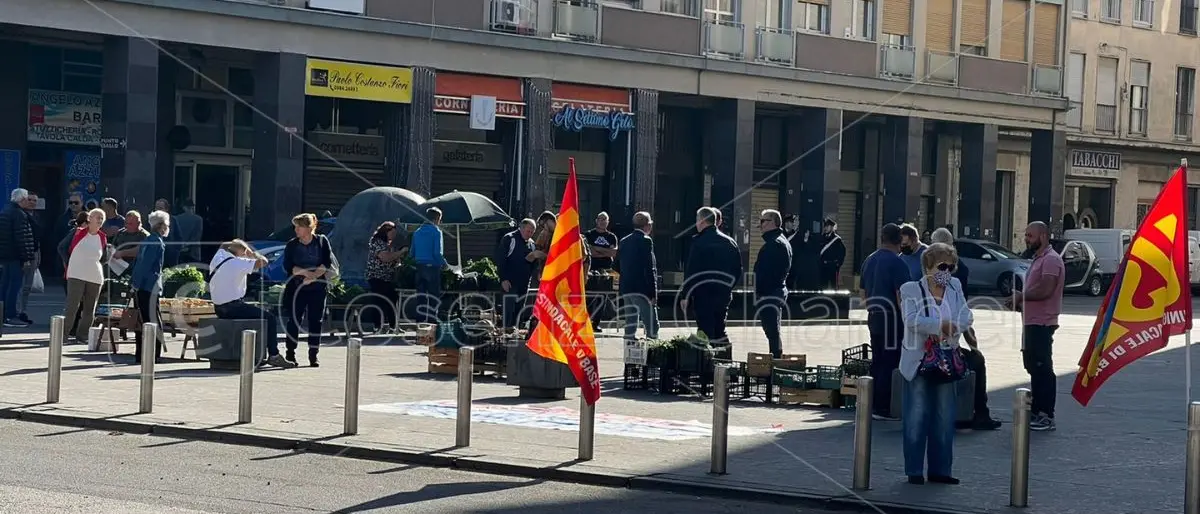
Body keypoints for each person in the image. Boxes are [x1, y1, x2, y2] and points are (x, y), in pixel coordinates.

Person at [899, 242, 972, 485]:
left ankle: (941, 470)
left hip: (946, 358)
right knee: (917, 415)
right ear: (928, 266)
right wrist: (940, 326)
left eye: (952, 267)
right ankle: (914, 471)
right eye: (943, 266)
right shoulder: (911, 289)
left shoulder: (955, 286)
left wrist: (952, 328)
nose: (948, 271)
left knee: (944, 415)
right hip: (919, 359)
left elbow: (966, 315)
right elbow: (910, 320)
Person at [929, 228, 1001, 430]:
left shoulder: (953, 283)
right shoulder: (952, 279)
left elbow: (963, 314)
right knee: (973, 361)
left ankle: (970, 412)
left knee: (973, 359)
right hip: (934, 349)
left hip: (939, 345)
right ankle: (978, 413)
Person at [1008, 221, 1065, 432]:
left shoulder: (1050, 260)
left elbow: (1046, 289)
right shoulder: (1038, 259)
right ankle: (1037, 410)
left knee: (1043, 368)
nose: (1026, 239)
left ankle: (1046, 414)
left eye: (1030, 236)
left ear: (1043, 236)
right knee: (1033, 366)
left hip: (1042, 322)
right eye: (1026, 235)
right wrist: (1019, 302)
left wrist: (1022, 296)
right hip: (1031, 321)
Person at [208, 239, 289, 368]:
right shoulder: (238, 263)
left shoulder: (219, 257)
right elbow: (264, 262)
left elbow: (223, 244)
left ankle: (257, 353)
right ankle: (274, 355)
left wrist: (239, 246)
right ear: (243, 251)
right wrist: (252, 254)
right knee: (269, 318)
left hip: (219, 307)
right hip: (233, 307)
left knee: (255, 313)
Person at [859, 223, 909, 420]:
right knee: (890, 361)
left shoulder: (869, 260)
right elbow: (901, 295)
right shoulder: (898, 263)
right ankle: (883, 406)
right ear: (899, 241)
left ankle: (870, 403)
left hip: (874, 316)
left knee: (877, 359)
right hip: (892, 318)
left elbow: (862, 295)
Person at [681, 207, 741, 358]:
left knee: (705, 331)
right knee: (720, 328)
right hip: (723, 294)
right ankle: (726, 366)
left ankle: (707, 368)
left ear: (702, 221)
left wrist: (685, 294)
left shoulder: (699, 242)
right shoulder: (730, 242)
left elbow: (692, 271)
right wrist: (728, 287)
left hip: (703, 294)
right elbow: (737, 270)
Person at [281, 213, 335, 367]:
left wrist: (314, 277)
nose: (296, 230)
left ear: (309, 228)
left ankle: (313, 355)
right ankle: (290, 353)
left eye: (299, 227)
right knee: (294, 320)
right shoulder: (292, 244)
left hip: (317, 288)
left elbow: (327, 262)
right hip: (297, 287)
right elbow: (289, 266)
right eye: (295, 226)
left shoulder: (322, 241)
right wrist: (306, 274)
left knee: (315, 321)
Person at [63, 209, 108, 343]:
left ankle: (82, 336)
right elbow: (63, 247)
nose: (100, 220)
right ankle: (63, 334)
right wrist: (68, 262)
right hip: (76, 273)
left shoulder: (102, 237)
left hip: (94, 275)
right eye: (97, 217)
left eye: (102, 218)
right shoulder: (78, 232)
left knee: (90, 308)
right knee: (72, 306)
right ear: (90, 219)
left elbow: (104, 257)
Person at [130, 210, 169, 364]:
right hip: (150, 285)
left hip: (143, 285)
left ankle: (142, 352)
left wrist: (135, 283)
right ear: (161, 226)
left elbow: (140, 263)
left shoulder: (148, 240)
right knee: (152, 319)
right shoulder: (157, 242)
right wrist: (138, 283)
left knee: (144, 319)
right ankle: (153, 353)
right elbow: (147, 266)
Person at [754, 209, 792, 358]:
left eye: (763, 221)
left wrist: (760, 291)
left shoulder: (775, 243)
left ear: (773, 223)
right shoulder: (779, 241)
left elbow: (768, 272)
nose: (760, 225)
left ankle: (776, 359)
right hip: (774, 291)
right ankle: (776, 358)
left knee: (772, 330)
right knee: (772, 329)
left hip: (770, 292)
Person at [619, 211, 659, 340]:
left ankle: (629, 354)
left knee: (630, 325)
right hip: (642, 289)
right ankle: (652, 353)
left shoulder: (624, 241)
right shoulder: (646, 241)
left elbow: (616, 264)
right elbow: (649, 268)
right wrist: (653, 293)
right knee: (652, 325)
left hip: (627, 288)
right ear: (647, 226)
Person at [0, 189, 36, 328]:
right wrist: (26, 257)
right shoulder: (19, 214)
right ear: (21, 199)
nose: (28, 201)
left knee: (5, 285)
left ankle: (2, 314)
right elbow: (23, 239)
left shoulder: (5, 212)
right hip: (15, 256)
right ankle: (10, 315)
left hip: (5, 255)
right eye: (27, 198)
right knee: (14, 285)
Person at [496, 218, 540, 331]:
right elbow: (501, 259)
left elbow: (533, 265)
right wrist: (503, 279)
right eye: (528, 231)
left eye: (532, 232)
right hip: (510, 281)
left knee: (519, 310)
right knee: (508, 310)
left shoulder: (532, 244)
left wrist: (535, 261)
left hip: (524, 283)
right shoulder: (510, 239)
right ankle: (506, 333)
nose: (530, 234)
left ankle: (515, 332)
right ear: (521, 228)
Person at [365, 221, 405, 331]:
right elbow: (385, 257)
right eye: (392, 233)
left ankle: (392, 325)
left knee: (392, 298)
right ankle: (377, 326)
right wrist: (400, 252)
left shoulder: (387, 244)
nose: (394, 236)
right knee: (379, 300)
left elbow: (391, 260)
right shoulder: (377, 242)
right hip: (376, 276)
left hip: (386, 277)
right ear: (386, 231)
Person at [410, 207, 446, 324]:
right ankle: (431, 325)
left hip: (419, 268)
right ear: (437, 219)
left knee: (421, 298)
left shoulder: (417, 232)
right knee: (433, 298)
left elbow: (412, 253)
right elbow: (437, 253)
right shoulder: (436, 232)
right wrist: (444, 264)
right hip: (432, 268)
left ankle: (419, 325)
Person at [584, 212, 619, 332]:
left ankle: (596, 323)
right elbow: (589, 252)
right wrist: (605, 251)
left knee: (603, 297)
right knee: (588, 296)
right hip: (590, 269)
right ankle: (586, 322)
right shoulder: (588, 234)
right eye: (600, 219)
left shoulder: (611, 236)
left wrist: (597, 249)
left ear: (608, 222)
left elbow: (614, 253)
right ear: (596, 220)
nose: (602, 221)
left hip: (606, 270)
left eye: (605, 219)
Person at [17, 192, 41, 325]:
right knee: (20, 285)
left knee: (27, 286)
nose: (32, 202)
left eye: (34, 200)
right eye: (29, 200)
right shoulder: (20, 215)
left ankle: (23, 310)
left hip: (35, 251)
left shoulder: (37, 216)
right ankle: (17, 311)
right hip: (24, 253)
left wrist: (39, 254)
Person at [110, 211, 150, 276]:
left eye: (130, 224)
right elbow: (114, 246)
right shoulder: (120, 233)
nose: (127, 225)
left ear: (138, 223)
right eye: (126, 223)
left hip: (136, 270)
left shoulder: (145, 236)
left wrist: (122, 253)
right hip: (118, 268)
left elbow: (140, 250)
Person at [817, 217, 846, 289]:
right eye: (825, 226)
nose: (826, 228)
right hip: (823, 267)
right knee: (822, 287)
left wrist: (837, 264)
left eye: (828, 226)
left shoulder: (837, 240)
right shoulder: (821, 238)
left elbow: (842, 253)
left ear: (832, 227)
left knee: (834, 287)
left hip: (832, 267)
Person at [174, 199, 204, 264]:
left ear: (183, 207)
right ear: (192, 207)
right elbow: (197, 236)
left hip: (180, 251)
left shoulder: (177, 219)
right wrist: (188, 244)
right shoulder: (198, 219)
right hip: (193, 252)